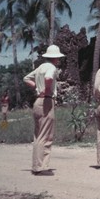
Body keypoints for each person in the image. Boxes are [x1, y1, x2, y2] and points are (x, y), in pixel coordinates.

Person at [23, 44, 65, 176]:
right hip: (46, 100)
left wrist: (37, 88)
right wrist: (46, 91)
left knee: (38, 135)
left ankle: (36, 165)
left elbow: (26, 78)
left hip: (38, 102)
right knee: (46, 135)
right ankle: (41, 167)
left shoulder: (40, 67)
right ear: (55, 58)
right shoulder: (51, 67)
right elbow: (48, 78)